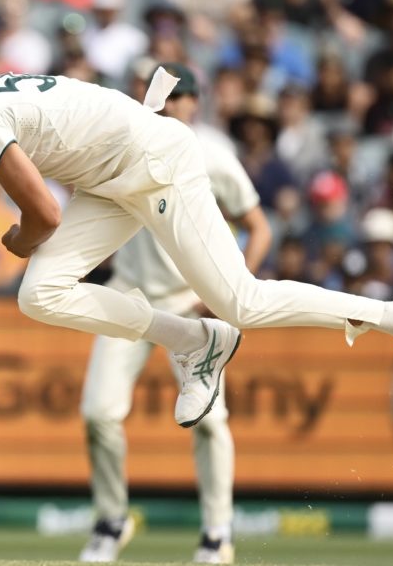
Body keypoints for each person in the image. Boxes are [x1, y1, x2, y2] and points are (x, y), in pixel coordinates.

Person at [0, 37, 393, 433]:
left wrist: (21, 241)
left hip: (153, 164)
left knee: (243, 302)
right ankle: (193, 342)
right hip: (107, 178)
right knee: (40, 294)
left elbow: (44, 216)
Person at [77, 63, 270, 565]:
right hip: (128, 297)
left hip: (188, 303)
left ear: (195, 103)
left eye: (180, 95)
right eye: (161, 93)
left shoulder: (213, 156)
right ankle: (111, 521)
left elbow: (259, 226)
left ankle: (216, 534)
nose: (170, 102)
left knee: (209, 422)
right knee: (99, 413)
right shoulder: (123, 142)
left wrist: (228, 288)